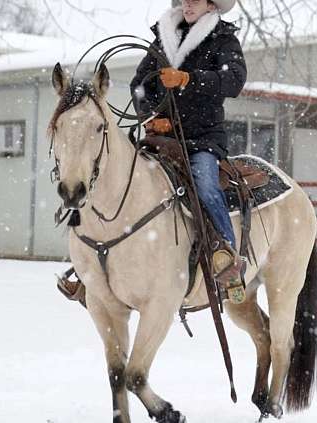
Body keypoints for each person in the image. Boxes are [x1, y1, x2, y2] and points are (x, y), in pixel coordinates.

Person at [130, 0, 247, 301]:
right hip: (162, 138)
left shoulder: (223, 38)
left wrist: (188, 80)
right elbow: (139, 85)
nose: (187, 4)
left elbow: (234, 81)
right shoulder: (164, 36)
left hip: (202, 138)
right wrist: (151, 116)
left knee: (206, 187)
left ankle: (227, 256)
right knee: (126, 178)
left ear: (211, 5)